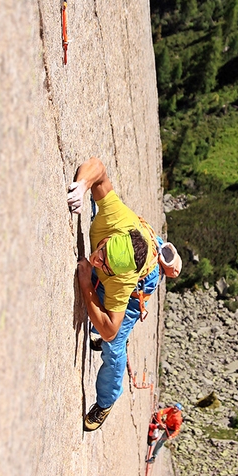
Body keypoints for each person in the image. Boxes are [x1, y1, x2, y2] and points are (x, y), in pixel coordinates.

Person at [67, 157, 166, 432]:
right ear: (112, 237)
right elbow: (98, 167)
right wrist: (81, 186)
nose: (96, 261)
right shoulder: (115, 218)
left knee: (113, 346)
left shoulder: (122, 283)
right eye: (102, 253)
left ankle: (107, 400)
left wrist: (88, 284)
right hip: (141, 240)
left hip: (140, 283)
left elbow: (110, 329)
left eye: (104, 266)